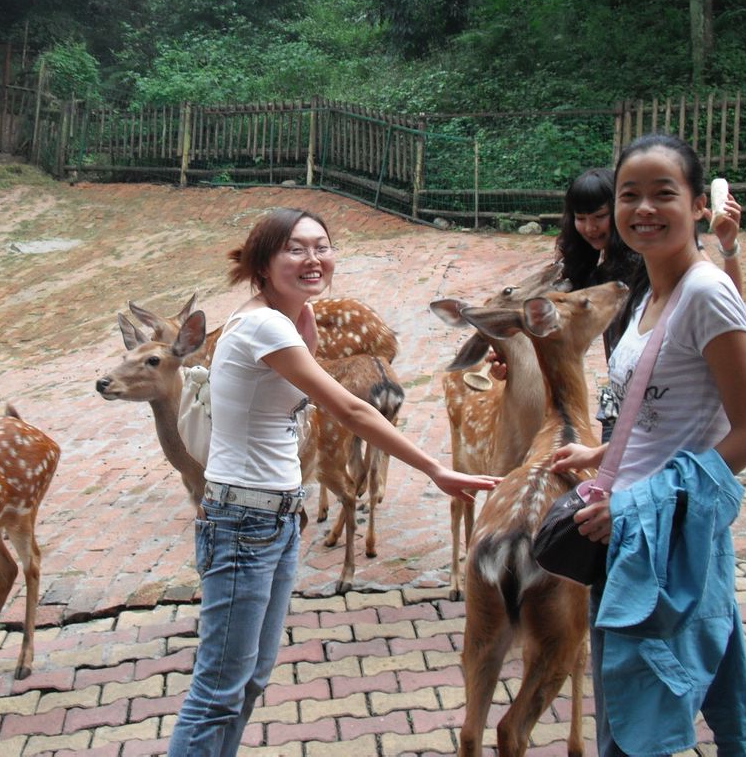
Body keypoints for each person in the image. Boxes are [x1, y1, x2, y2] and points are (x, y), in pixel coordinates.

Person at [168, 207, 500, 756]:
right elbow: (349, 408)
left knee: (247, 682)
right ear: (263, 261)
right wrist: (435, 468)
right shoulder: (263, 325)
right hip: (244, 523)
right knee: (218, 691)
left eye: (322, 246)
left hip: (272, 519)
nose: (313, 258)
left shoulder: (278, 320)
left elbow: (290, 387)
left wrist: (306, 318)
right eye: (295, 249)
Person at [552, 135, 746, 756]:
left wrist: (635, 500)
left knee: (635, 723)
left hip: (662, 537)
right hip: (626, 531)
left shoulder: (704, 292)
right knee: (635, 707)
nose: (643, 208)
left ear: (700, 205)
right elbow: (660, 413)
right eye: (630, 195)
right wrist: (602, 457)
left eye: (663, 194)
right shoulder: (652, 293)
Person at [548, 165, 746, 441]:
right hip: (621, 400)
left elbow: (729, 301)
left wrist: (729, 248)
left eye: (600, 217)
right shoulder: (593, 271)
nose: (590, 228)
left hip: (666, 404)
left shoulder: (658, 260)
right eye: (581, 218)